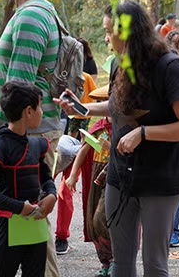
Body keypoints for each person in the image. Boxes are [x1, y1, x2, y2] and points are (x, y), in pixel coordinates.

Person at [58, 0, 179, 277]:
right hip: (121, 175)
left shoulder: (170, 67)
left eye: (109, 31)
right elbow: (117, 105)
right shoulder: (119, 64)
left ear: (128, 32)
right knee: (120, 262)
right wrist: (83, 108)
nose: (106, 37)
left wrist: (144, 133)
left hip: (161, 178)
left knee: (154, 264)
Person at [0, 0, 65, 277]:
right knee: (25, 230)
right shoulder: (44, 11)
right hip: (26, 135)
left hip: (22, 138)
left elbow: (17, 89)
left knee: (22, 230)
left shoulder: (30, 17)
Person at [0, 81, 57, 277]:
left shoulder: (37, 144)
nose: (42, 113)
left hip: (35, 225)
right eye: (40, 107)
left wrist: (52, 194)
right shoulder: (0, 146)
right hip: (8, 227)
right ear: (28, 111)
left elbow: (46, 177)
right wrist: (19, 207)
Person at [65, 106, 113, 276]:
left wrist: (110, 147)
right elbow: (83, 151)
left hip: (113, 175)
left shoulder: (125, 128)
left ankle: (116, 260)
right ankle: (106, 263)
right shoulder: (98, 127)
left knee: (101, 218)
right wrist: (72, 175)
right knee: (92, 219)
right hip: (96, 174)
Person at [55, 71, 97, 255]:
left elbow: (95, 101)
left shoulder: (84, 78)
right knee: (37, 190)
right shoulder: (47, 78)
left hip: (73, 146)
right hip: (49, 142)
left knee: (65, 190)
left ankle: (61, 237)